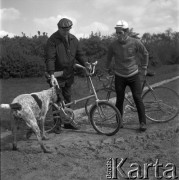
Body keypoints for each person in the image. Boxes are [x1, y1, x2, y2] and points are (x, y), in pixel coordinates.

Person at [45, 18, 89, 133]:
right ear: (59, 28)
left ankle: (68, 123)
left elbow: (80, 54)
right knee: (57, 100)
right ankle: (57, 125)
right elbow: (50, 58)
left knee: (68, 99)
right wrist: (51, 74)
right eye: (64, 30)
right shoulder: (52, 40)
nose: (66, 32)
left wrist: (86, 63)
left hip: (68, 74)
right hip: (56, 75)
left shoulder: (73, 39)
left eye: (68, 30)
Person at [105, 20, 149, 131]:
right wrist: (107, 70)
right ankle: (119, 122)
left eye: (120, 32)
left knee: (137, 97)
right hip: (119, 76)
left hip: (133, 75)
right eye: (116, 33)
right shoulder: (113, 45)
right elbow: (108, 58)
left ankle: (143, 123)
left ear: (126, 32)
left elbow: (145, 53)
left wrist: (144, 67)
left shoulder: (135, 42)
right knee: (119, 100)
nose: (118, 35)